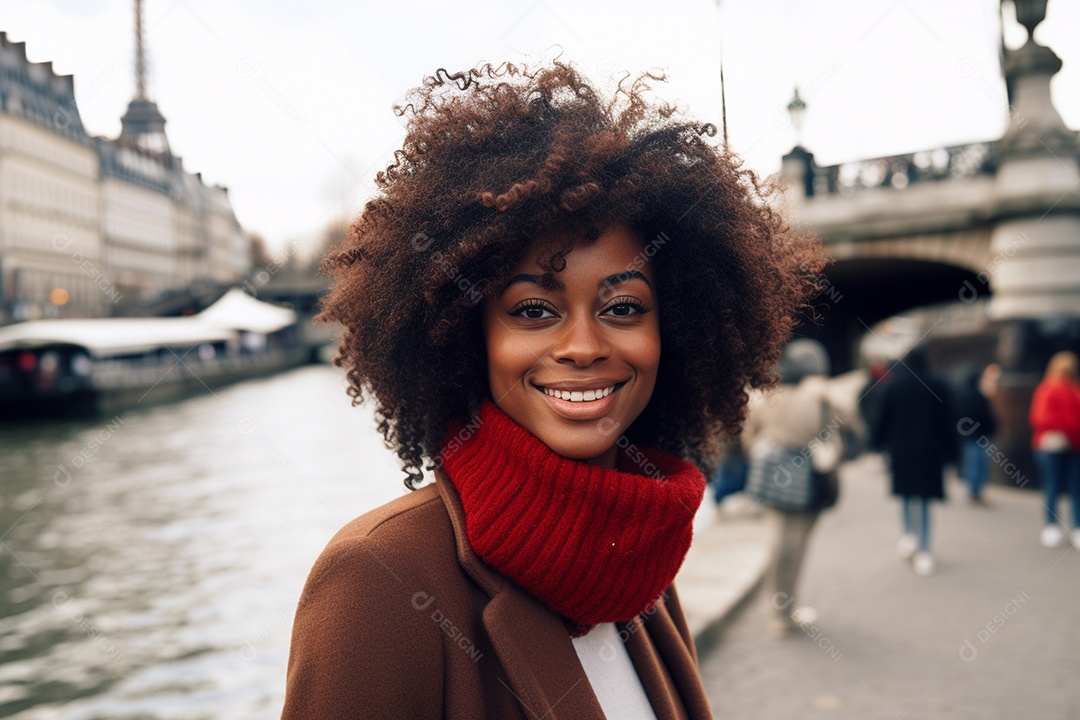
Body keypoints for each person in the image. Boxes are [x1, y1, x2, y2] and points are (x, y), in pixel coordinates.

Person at [280, 61, 826, 718]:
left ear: (673, 331)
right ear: (469, 337)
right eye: (534, 310)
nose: (585, 346)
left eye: (623, 307)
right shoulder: (378, 582)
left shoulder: (640, 563)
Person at [741, 339, 841, 637]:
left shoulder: (764, 397)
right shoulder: (821, 397)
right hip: (807, 476)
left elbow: (748, 437)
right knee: (796, 545)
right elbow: (841, 428)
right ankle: (789, 610)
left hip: (771, 473)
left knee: (776, 541)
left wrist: (762, 451)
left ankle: (776, 612)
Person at [869, 346, 954, 576]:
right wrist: (952, 454)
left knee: (906, 494)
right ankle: (925, 549)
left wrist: (876, 445)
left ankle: (909, 535)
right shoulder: (938, 385)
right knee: (925, 498)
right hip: (930, 452)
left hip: (902, 451)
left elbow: (882, 419)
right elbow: (948, 421)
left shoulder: (894, 386)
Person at [1028, 351, 1080, 549]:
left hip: (1073, 445)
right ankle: (1052, 526)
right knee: (1052, 487)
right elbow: (1041, 418)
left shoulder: (1074, 390)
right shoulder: (1048, 389)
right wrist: (1071, 425)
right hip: (1052, 445)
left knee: (1074, 488)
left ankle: (1076, 528)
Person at [955, 363, 1000, 504]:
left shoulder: (969, 395)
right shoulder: (976, 396)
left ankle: (975, 492)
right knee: (977, 464)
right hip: (977, 435)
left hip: (975, 435)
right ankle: (974, 492)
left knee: (977, 464)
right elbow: (982, 415)